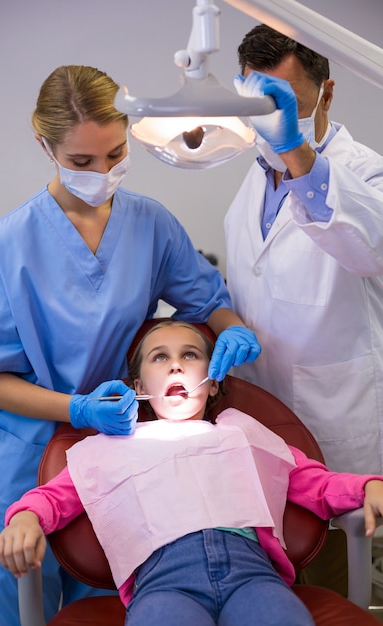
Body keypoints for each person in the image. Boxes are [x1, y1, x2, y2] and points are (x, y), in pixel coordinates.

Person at [0, 65, 261, 626]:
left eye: (116, 154)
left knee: (102, 606)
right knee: (17, 610)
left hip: (118, 454)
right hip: (25, 456)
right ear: (44, 146)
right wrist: (76, 409)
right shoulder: (10, 244)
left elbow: (205, 299)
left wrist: (232, 326)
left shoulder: (149, 223)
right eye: (82, 161)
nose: (102, 172)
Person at [0, 319, 383, 626]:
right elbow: (53, 498)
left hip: (253, 574)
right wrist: (25, 518)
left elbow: (315, 483)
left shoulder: (242, 432)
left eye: (191, 354)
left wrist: (368, 488)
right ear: (138, 385)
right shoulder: (108, 446)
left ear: (213, 384)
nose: (176, 363)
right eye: (160, 357)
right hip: (163, 583)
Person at [224, 24, 383, 594]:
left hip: (333, 413)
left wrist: (296, 149)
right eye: (255, 102)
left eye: (281, 102)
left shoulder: (366, 171)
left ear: (327, 93)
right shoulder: (252, 176)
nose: (266, 119)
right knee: (270, 572)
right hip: (260, 406)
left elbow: (371, 245)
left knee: (330, 575)